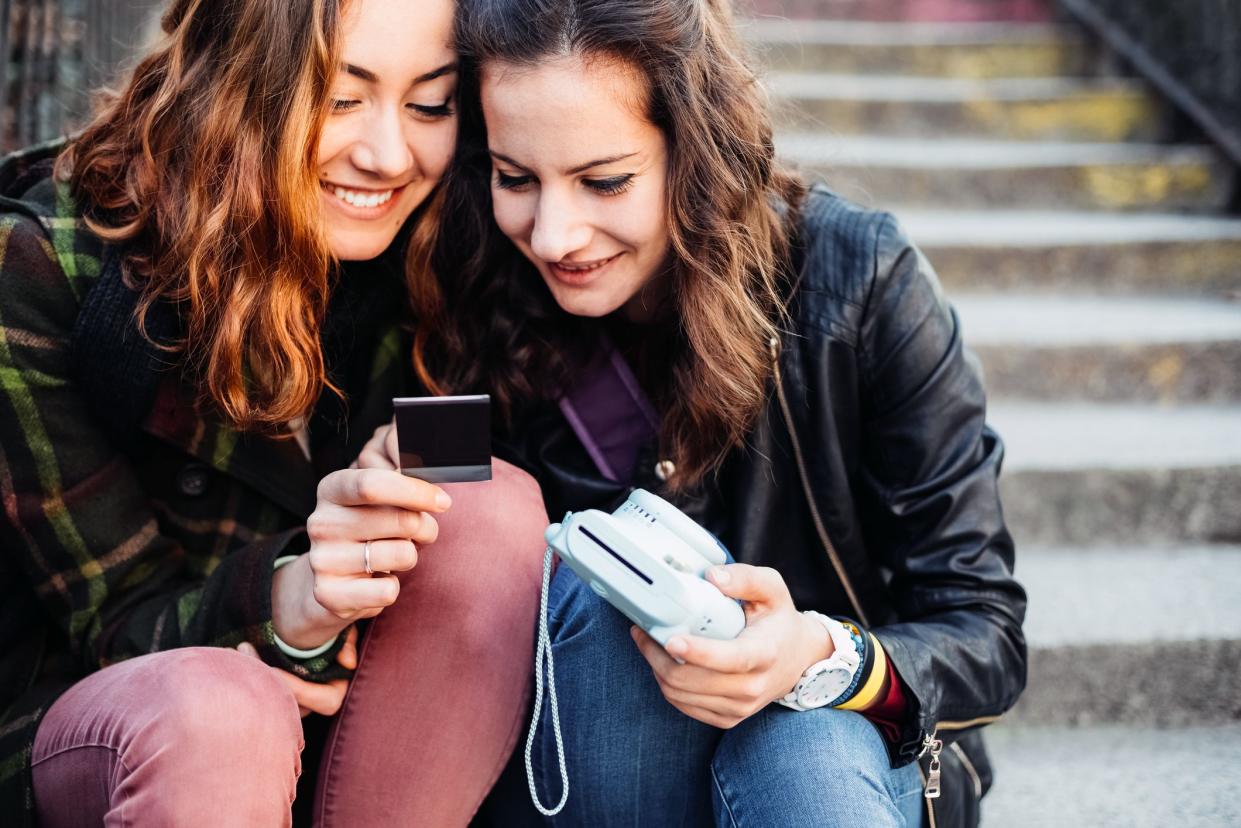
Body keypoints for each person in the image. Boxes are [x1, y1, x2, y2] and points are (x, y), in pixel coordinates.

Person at [358, 0, 1028, 824]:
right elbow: (434, 539)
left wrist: (819, 656)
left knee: (802, 738)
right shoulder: (468, 289)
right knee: (603, 617)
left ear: (697, 151)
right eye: (515, 178)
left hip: (834, 759)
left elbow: (983, 630)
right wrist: (386, 489)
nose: (555, 235)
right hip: (592, 750)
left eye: (605, 180)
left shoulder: (858, 286)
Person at [0, 0, 547, 825]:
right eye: (337, 97)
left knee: (486, 503)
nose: (387, 155)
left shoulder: (448, 240)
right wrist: (291, 600)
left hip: (347, 728)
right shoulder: (42, 267)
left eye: (430, 103)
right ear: (236, 77)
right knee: (219, 709)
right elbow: (113, 623)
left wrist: (381, 515)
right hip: (95, 714)